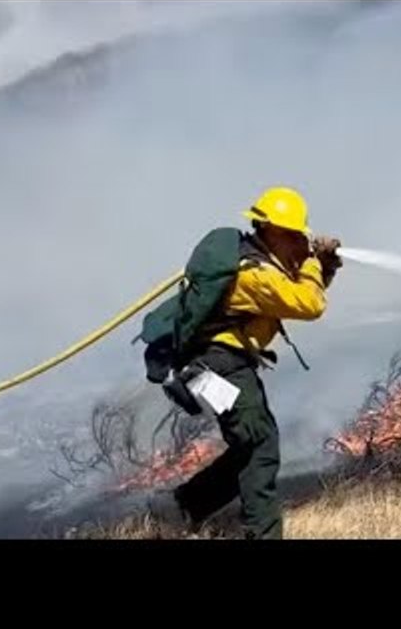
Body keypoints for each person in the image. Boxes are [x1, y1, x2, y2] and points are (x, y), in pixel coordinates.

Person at [155, 186, 342, 539]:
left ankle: (188, 504)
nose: (299, 242)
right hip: (221, 365)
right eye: (293, 235)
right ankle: (261, 532)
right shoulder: (252, 275)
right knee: (259, 445)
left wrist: (323, 268)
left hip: (218, 365)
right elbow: (308, 305)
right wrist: (316, 262)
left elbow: (297, 293)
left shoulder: (261, 264)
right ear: (271, 231)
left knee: (251, 442)